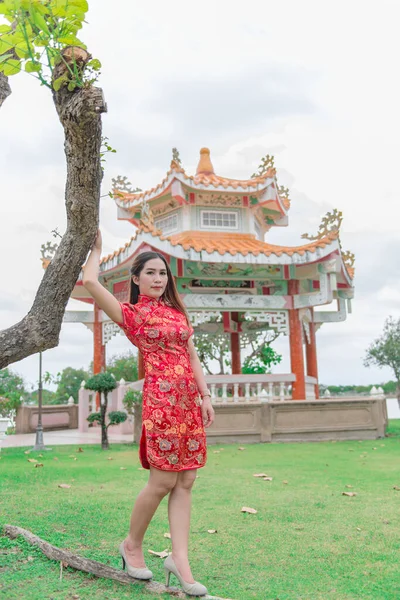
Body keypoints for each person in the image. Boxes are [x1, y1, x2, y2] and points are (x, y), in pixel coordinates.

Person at [83, 230, 215, 596]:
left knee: (186, 481)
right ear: (137, 279)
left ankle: (179, 558)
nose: (159, 279)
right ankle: (131, 545)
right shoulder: (133, 315)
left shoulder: (176, 313)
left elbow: (192, 356)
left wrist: (205, 395)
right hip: (162, 401)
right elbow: (90, 281)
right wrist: (96, 249)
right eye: (151, 273)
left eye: (163, 273)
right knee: (162, 482)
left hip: (189, 402)